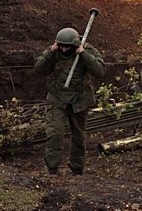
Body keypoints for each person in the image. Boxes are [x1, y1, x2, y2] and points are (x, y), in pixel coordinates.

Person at [34, 27, 105, 175]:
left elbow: (99, 71)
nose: (64, 49)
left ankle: (77, 168)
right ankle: (52, 169)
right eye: (61, 46)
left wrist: (83, 54)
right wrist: (50, 53)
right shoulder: (54, 51)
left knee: (78, 134)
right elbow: (39, 70)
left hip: (80, 99)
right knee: (55, 133)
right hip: (57, 97)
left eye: (67, 46)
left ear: (74, 44)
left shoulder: (87, 49)